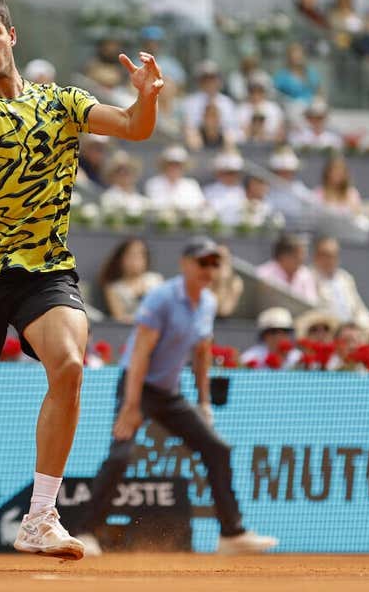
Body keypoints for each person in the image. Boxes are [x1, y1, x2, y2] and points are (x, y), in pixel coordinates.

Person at [0, 0, 165, 559]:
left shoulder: (63, 103)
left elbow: (132, 127)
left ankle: (40, 517)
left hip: (44, 271)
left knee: (71, 365)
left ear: (12, 36)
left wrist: (145, 98)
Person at [74, 237, 277, 556]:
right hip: (138, 387)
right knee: (120, 456)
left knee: (217, 449)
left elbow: (201, 352)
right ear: (185, 264)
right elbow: (140, 353)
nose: (208, 269)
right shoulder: (162, 298)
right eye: (202, 263)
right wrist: (130, 405)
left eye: (214, 264)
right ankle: (85, 533)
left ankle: (231, 534)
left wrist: (205, 402)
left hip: (170, 394)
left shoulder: (207, 302)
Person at [97, 237, 163, 324]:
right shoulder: (113, 288)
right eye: (131, 255)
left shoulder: (156, 280)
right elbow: (119, 318)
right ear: (121, 259)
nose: (136, 260)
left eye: (141, 255)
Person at [311, 236, 369, 326]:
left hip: (352, 328)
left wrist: (364, 324)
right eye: (326, 255)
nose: (330, 260)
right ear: (316, 257)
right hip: (327, 329)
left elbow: (359, 308)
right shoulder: (309, 277)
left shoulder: (345, 278)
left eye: (334, 255)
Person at [255, 234, 318, 304]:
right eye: (298, 255)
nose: (302, 259)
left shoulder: (305, 274)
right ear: (284, 256)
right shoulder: (263, 274)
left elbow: (311, 303)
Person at [144, 145, 204, 212]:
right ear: (164, 165)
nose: (175, 168)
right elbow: (153, 206)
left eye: (178, 165)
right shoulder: (153, 183)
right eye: (171, 164)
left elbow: (200, 205)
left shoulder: (191, 184)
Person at [181, 60, 236, 133]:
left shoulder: (227, 103)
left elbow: (234, 130)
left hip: (222, 141)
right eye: (206, 78)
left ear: (219, 80)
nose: (210, 82)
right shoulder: (190, 102)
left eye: (213, 78)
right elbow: (188, 127)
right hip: (198, 141)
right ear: (200, 81)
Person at [265, 147, 312, 224]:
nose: (285, 175)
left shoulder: (299, 189)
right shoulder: (266, 190)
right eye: (281, 172)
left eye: (289, 172)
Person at [234, 72, 283, 143]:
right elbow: (238, 133)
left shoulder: (274, 109)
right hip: (246, 145)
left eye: (259, 91)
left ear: (264, 91)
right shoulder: (241, 109)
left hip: (270, 145)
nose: (256, 95)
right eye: (252, 91)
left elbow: (278, 132)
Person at [314, 154, 364, 220]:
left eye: (341, 170)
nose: (337, 173)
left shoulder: (352, 194)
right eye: (334, 170)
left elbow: (357, 217)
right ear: (327, 172)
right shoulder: (318, 193)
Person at [202, 150, 246, 222]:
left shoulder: (242, 190)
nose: (231, 176)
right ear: (219, 173)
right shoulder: (208, 191)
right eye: (228, 173)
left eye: (234, 173)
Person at [210, 245, 243, 318]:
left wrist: (223, 282)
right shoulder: (206, 280)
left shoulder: (235, 282)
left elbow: (224, 311)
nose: (219, 262)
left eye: (223, 259)